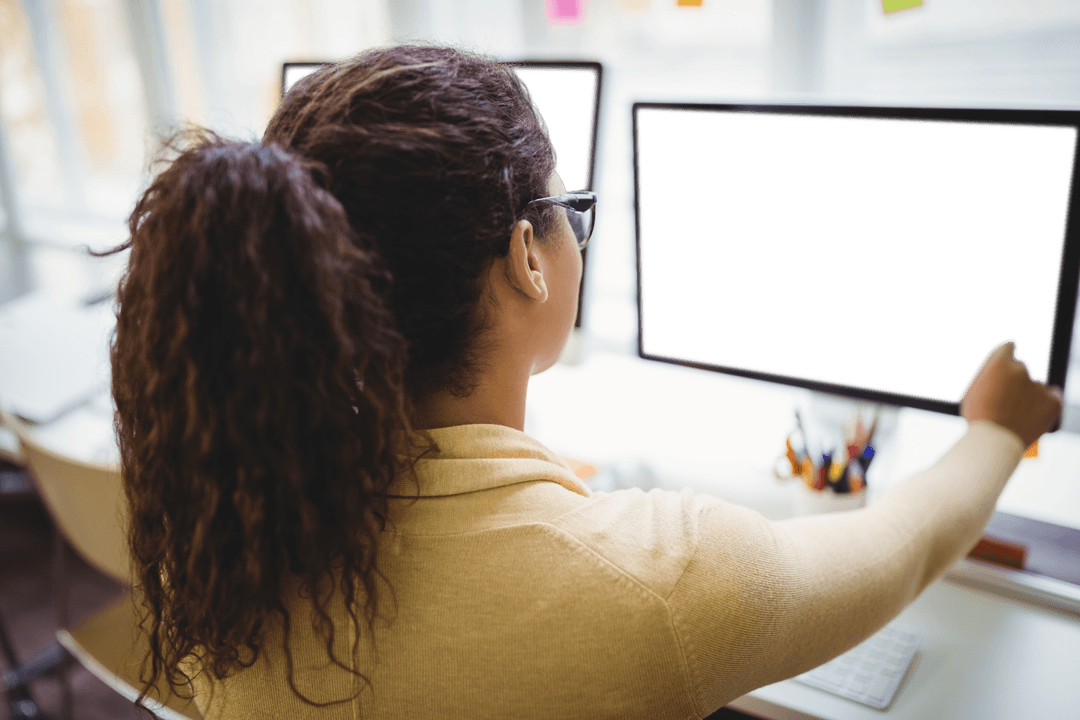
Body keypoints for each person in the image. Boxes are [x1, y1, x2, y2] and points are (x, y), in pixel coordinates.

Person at [96, 45, 1063, 720]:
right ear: (528, 257)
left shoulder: (221, 528)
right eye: (570, 208)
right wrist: (993, 431)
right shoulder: (653, 583)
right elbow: (896, 547)